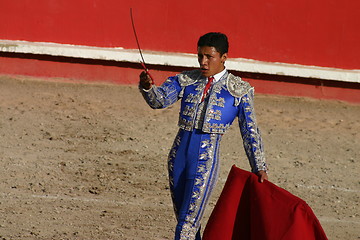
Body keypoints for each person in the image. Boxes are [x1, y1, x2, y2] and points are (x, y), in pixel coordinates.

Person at [139, 32, 268, 240]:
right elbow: (159, 101)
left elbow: (250, 132)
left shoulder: (239, 90)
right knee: (186, 221)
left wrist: (259, 166)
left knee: (187, 224)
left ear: (224, 57)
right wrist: (148, 87)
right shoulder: (186, 79)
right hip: (177, 159)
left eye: (209, 57)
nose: (203, 62)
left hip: (204, 161)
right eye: (200, 56)